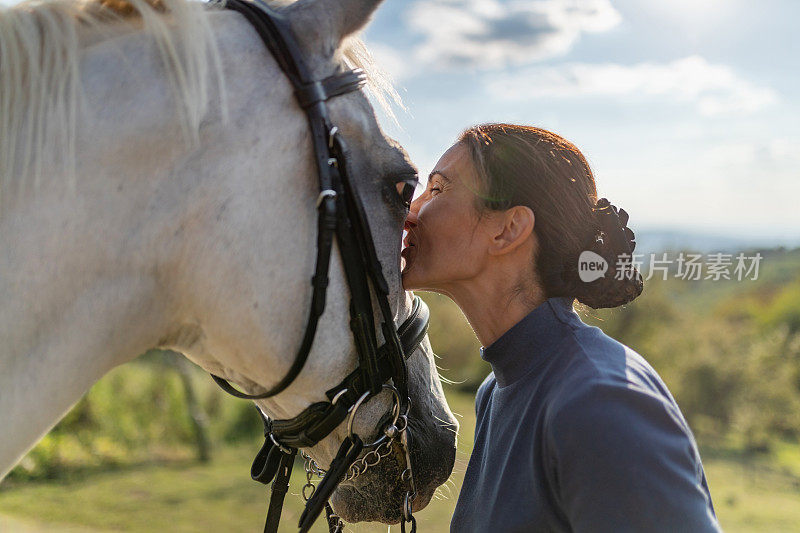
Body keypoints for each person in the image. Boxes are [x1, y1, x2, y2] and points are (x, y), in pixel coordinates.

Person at [402, 123, 721, 532]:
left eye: (438, 189)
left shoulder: (599, 402)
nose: (411, 211)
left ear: (508, 229)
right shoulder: (497, 390)